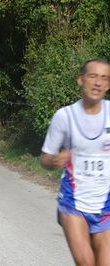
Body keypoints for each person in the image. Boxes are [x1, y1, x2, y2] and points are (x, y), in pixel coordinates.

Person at [40, 59, 110, 265]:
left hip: (105, 205)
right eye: (93, 76)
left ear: (108, 85)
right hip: (73, 204)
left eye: (104, 78)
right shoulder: (64, 116)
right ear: (80, 80)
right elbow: (44, 158)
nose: (98, 82)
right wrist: (54, 161)